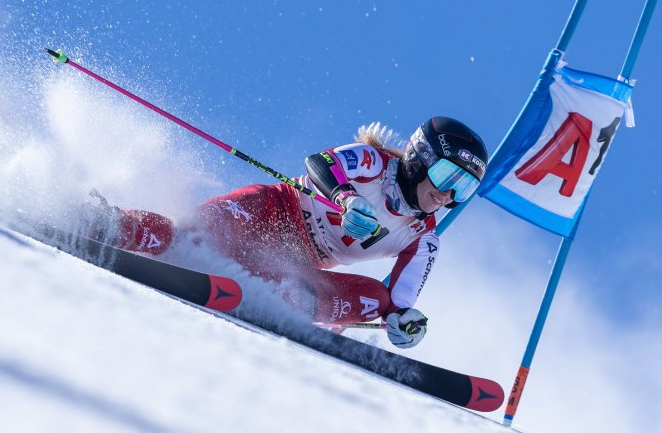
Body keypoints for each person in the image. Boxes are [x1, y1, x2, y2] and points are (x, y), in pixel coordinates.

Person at [85, 116, 488, 349]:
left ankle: (293, 302)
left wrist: (405, 323)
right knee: (198, 234)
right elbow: (320, 164)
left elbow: (397, 303)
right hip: (272, 211)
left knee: (377, 299)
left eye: (464, 188)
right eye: (447, 176)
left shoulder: (423, 237)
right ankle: (114, 226)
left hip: (292, 265)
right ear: (420, 158)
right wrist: (345, 198)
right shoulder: (373, 162)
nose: (448, 194)